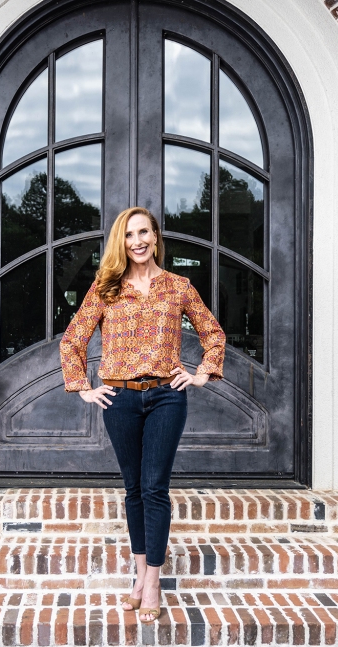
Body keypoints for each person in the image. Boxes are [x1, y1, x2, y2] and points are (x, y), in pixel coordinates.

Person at [59, 206, 226, 624]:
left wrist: (202, 374)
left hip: (166, 396)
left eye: (144, 233)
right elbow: (73, 340)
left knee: (155, 488)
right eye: (129, 234)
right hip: (120, 399)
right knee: (133, 488)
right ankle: (139, 576)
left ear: (155, 237)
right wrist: (82, 386)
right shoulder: (106, 288)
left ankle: (152, 582)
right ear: (122, 241)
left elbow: (213, 333)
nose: (137, 241)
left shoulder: (179, 287)